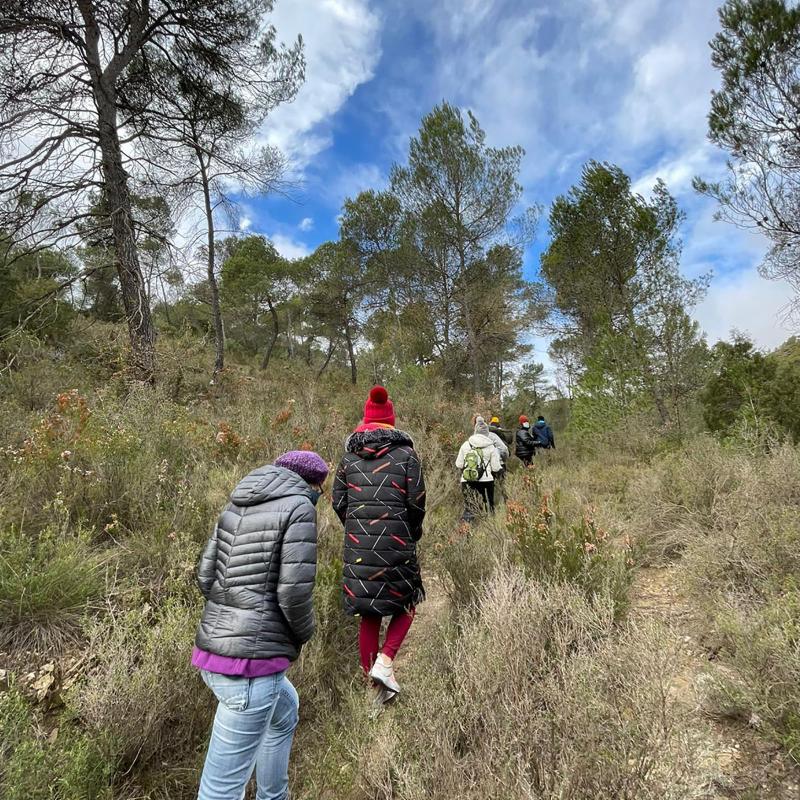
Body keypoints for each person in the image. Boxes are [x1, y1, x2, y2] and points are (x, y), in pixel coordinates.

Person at [193, 450, 328, 800]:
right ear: (312, 483)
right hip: (250, 669)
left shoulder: (236, 503)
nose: (320, 497)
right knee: (220, 791)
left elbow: (206, 576)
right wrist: (304, 633)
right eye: (320, 490)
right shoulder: (300, 507)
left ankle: (274, 796)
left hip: (212, 654)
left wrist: (230, 612)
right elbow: (293, 594)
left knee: (285, 710)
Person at [333, 386, 426, 704]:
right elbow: (416, 501)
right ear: (391, 422)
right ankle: (385, 662)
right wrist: (410, 533)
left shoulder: (348, 458)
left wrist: (357, 529)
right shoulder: (407, 455)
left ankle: (374, 691)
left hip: (358, 548)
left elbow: (338, 501)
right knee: (409, 602)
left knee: (369, 615)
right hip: (398, 542)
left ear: (365, 421)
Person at [456, 415, 502, 519]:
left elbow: (459, 464)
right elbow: (495, 468)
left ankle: (466, 531)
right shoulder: (491, 446)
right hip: (486, 481)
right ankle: (488, 528)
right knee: (489, 507)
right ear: (487, 432)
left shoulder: (466, 444)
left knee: (470, 508)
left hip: (467, 479)